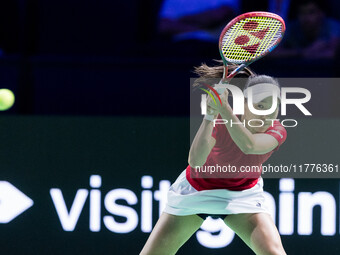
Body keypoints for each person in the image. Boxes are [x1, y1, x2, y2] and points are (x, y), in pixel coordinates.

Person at [140, 64, 287, 255]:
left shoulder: (277, 130)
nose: (266, 115)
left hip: (242, 194)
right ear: (243, 103)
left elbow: (249, 146)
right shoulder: (220, 121)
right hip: (196, 190)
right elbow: (195, 162)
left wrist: (223, 109)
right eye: (259, 106)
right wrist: (210, 115)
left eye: (273, 108)